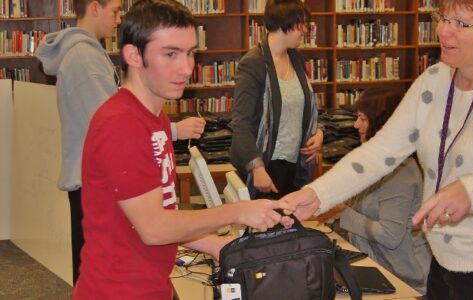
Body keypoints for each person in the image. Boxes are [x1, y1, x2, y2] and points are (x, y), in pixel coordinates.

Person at [283, 0, 473, 299]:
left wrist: (472, 192)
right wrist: (318, 194)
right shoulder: (434, 80)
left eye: (460, 23)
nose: (443, 31)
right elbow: (380, 151)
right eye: (442, 17)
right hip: (444, 260)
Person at [73, 1, 293, 299]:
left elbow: (159, 209)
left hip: (150, 285)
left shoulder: (155, 116)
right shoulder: (121, 124)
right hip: (118, 291)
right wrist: (239, 212)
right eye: (171, 54)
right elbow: (154, 228)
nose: (187, 67)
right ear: (134, 55)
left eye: (190, 53)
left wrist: (212, 243)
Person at [35, 0, 205, 283]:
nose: (118, 19)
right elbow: (113, 127)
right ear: (94, 7)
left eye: (190, 54)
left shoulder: (91, 55)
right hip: (99, 179)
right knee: (102, 260)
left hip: (103, 180)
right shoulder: (84, 58)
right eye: (114, 10)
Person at [321, 88, 431, 295]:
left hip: (403, 279)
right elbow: (355, 210)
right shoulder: (372, 162)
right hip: (377, 265)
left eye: (362, 118)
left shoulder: (400, 173)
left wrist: (342, 213)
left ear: (383, 123)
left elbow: (390, 236)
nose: (355, 125)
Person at [229, 0, 323, 199]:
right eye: (302, 24)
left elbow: (302, 106)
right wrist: (257, 168)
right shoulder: (253, 63)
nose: (305, 30)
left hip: (295, 163)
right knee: (266, 227)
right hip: (266, 165)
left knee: (290, 225)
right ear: (285, 23)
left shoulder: (296, 58)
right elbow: (241, 123)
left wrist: (319, 131)